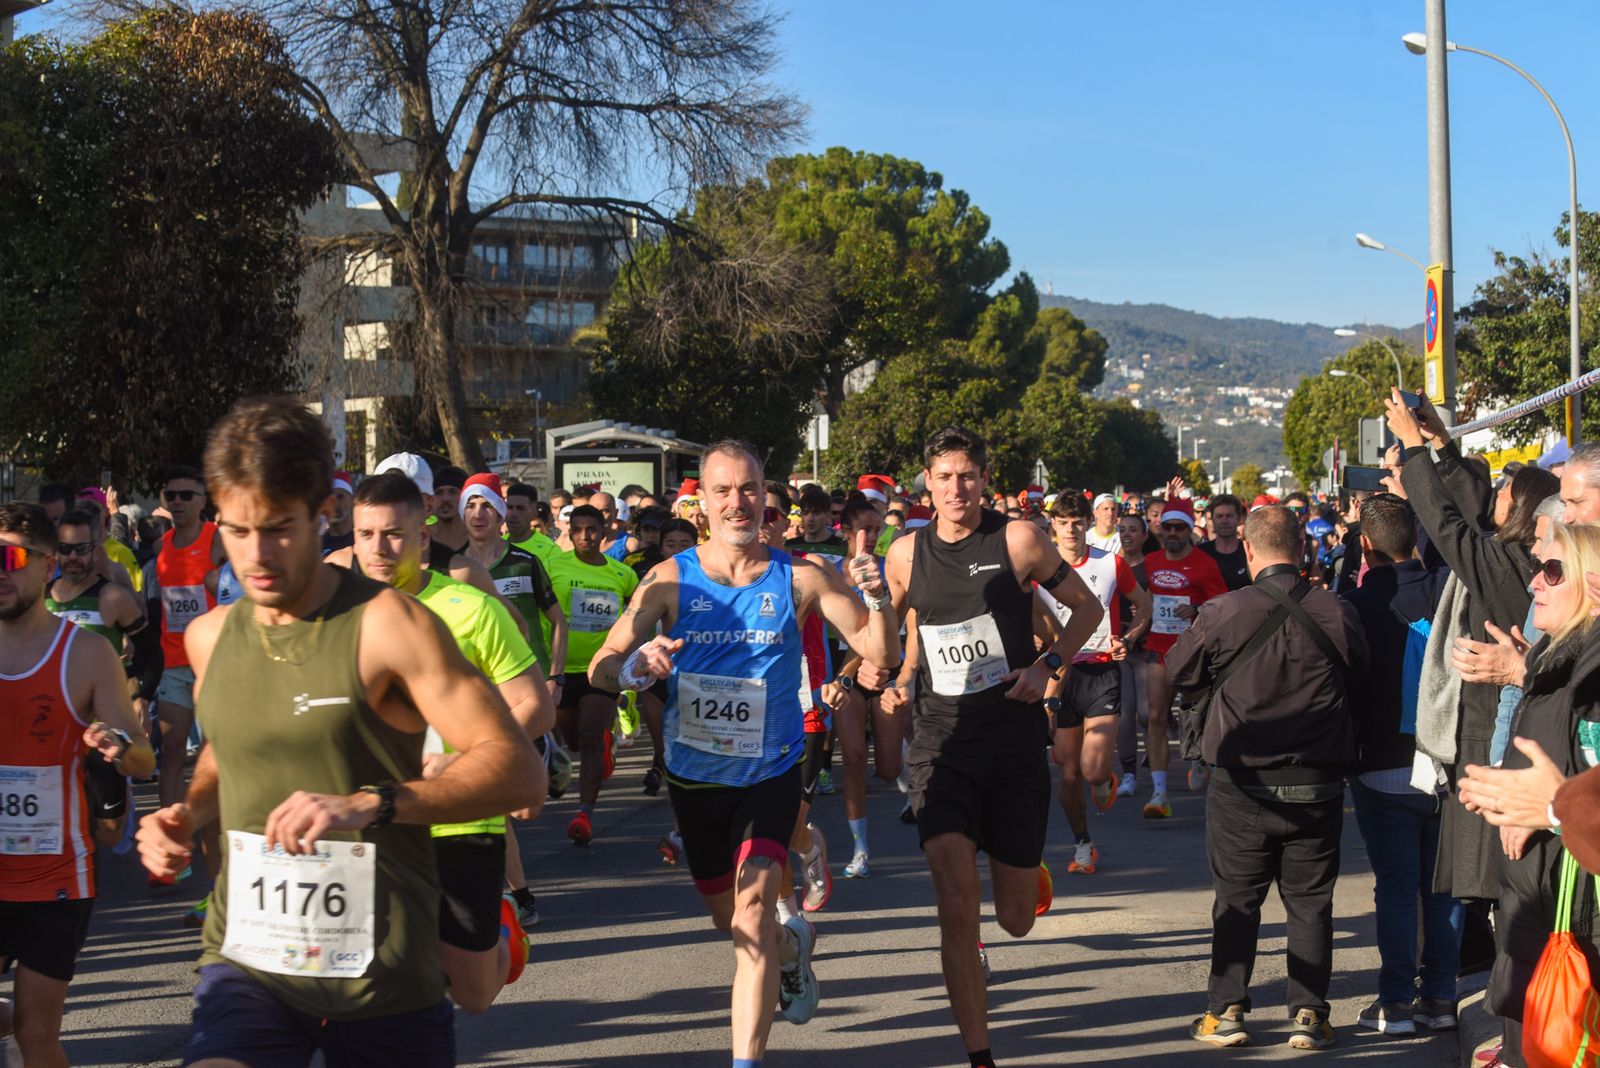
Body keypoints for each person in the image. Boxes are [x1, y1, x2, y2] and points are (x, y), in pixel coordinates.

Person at [135, 396, 540, 1067]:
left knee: (463, 996)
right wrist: (184, 813)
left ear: (326, 514)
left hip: (384, 971)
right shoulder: (210, 638)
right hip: (251, 957)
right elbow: (225, 758)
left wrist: (372, 803)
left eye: (278, 529)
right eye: (237, 531)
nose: (257, 556)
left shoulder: (389, 625)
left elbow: (518, 769)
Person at [588, 439, 901, 1067]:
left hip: (772, 769)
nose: (739, 502)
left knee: (754, 912)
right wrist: (633, 669)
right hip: (695, 779)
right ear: (701, 502)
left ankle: (746, 1061)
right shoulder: (668, 580)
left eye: (750, 488)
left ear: (766, 497)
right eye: (724, 490)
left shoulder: (803, 575)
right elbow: (600, 665)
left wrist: (880, 598)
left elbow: (880, 652)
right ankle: (793, 952)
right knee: (729, 921)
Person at [869, 426, 1104, 1068]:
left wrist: (1047, 666)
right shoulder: (904, 553)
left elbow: (1086, 611)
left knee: (1016, 918)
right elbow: (889, 637)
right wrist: (883, 675)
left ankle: (1029, 876)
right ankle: (979, 1055)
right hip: (941, 746)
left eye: (967, 475)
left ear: (984, 479)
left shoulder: (1019, 539)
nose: (956, 488)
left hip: (1012, 741)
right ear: (926, 481)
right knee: (954, 904)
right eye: (944, 476)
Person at [349, 471, 552, 1012]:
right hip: (367, 817)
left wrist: (471, 759)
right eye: (365, 535)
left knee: (475, 994)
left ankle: (505, 932)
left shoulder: (471, 608)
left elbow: (535, 704)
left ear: (422, 540)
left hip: (461, 815)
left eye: (393, 535)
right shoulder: (334, 615)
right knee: (372, 977)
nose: (379, 548)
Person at [1167, 505, 1368, 1050]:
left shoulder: (1222, 611)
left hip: (1241, 783)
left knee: (1236, 900)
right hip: (1318, 781)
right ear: (1302, 549)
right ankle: (1309, 1016)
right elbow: (1363, 677)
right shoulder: (1336, 610)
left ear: (1250, 551)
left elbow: (1178, 672)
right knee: (1310, 902)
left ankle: (1225, 1011)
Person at [1386, 390, 1559, 946]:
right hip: (1490, 732)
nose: (1493, 495)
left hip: (1493, 741)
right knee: (1499, 893)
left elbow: (1448, 522)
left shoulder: (1507, 564)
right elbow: (1470, 505)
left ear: (1524, 510)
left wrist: (1414, 449)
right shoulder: (1511, 556)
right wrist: (1439, 442)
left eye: (1506, 490)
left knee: (1510, 893)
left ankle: (1512, 1014)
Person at [0, 502, 155, 1068]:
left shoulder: (86, 654)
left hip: (56, 877)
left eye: (10, 558)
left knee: (36, 1041)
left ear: (46, 567)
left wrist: (117, 745)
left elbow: (142, 760)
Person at [1454, 521, 1600, 1068]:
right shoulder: (1563, 658)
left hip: (1574, 917)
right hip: (1537, 910)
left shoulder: (1592, 671)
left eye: (1552, 569)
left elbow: (1583, 777)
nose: (1535, 581)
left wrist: (1550, 808)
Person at [1339, 493, 1461, 1036]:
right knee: (1441, 888)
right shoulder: (1450, 594)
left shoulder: (1354, 605)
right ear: (1415, 539)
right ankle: (1440, 998)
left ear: (1365, 545)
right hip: (1447, 763)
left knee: (1394, 886)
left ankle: (1395, 1001)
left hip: (1379, 764)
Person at [1039, 494, 1150, 875]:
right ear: (1052, 523)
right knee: (1067, 772)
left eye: (1077, 521)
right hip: (1058, 675)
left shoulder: (1111, 564)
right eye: (1063, 521)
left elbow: (1144, 604)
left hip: (1101, 672)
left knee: (1091, 768)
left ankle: (1104, 777)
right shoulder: (1037, 566)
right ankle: (1083, 844)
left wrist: (1129, 638)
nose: (1071, 528)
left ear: (1088, 523)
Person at [820, 497, 904, 879]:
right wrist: (847, 673)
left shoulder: (891, 570)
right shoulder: (832, 575)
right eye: (864, 529)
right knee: (852, 759)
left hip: (886, 669)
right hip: (845, 674)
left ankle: (905, 749)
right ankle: (860, 849)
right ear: (845, 531)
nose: (871, 536)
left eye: (877, 528)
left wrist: (879, 664)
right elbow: (844, 632)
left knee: (887, 770)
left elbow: (893, 626)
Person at [547, 504, 639, 845]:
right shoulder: (552, 566)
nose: (586, 535)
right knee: (573, 741)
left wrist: (629, 659)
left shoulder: (622, 574)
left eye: (593, 529)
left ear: (603, 532)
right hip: (562, 668)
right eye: (579, 530)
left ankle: (584, 813)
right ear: (570, 534)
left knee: (586, 737)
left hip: (603, 668)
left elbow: (635, 622)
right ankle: (602, 745)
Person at [1141, 493, 1228, 815]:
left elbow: (1222, 607)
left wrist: (1194, 609)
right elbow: (1141, 600)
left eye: (1179, 527)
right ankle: (1159, 794)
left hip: (1193, 654)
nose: (1173, 533)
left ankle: (1202, 759)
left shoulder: (1205, 565)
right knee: (1155, 717)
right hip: (1159, 651)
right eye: (1168, 528)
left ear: (1189, 530)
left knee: (1197, 716)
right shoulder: (1151, 562)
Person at [150, 465, 227, 824]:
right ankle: (170, 838)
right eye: (171, 495)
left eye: (186, 495)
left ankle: (219, 842)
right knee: (171, 752)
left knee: (218, 757)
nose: (177, 502)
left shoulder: (217, 540)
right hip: (174, 664)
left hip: (212, 664)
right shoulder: (160, 546)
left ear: (202, 501)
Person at [1113, 511, 1153, 798]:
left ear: (1144, 536)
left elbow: (1156, 604)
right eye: (1123, 529)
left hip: (1148, 648)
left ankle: (1156, 761)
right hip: (1119, 649)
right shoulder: (1111, 566)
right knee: (1125, 713)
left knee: (1147, 713)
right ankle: (1128, 773)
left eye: (1133, 530)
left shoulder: (1153, 567)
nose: (1127, 534)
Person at [1198, 494, 1249, 592]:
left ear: (1238, 518)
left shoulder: (1249, 552)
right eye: (1219, 516)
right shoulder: (1201, 553)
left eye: (1229, 516)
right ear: (1212, 519)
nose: (1224, 521)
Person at [427, 466, 470, 555]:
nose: (445, 499)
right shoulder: (422, 538)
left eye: (452, 492)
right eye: (439, 492)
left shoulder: (476, 537)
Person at [321, 472, 355, 556]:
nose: (335, 504)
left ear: (352, 500)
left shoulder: (363, 538)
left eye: (340, 497)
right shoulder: (317, 544)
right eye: (329, 498)